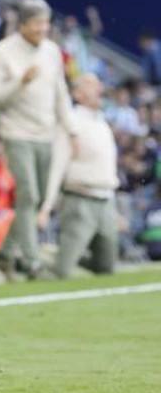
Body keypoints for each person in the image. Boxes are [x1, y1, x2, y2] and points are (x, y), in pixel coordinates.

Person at [0, 0, 77, 280]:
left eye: (46, 22)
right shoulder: (2, 53)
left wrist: (71, 129)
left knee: (32, 202)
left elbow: (60, 92)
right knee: (29, 195)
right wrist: (19, 82)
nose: (43, 28)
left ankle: (4, 254)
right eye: (37, 23)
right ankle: (32, 261)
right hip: (16, 134)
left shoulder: (52, 52)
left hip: (46, 134)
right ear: (22, 24)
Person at [39, 74, 120, 278]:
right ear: (77, 94)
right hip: (80, 200)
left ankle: (52, 254)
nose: (99, 88)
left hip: (106, 201)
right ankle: (36, 258)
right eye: (91, 85)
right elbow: (57, 165)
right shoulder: (71, 121)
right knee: (62, 272)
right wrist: (46, 207)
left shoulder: (102, 123)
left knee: (106, 266)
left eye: (98, 83)